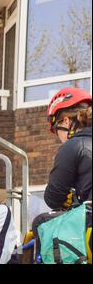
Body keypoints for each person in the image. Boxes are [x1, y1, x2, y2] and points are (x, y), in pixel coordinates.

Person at [32, 87, 92, 260]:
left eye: (55, 129)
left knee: (42, 222)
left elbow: (53, 198)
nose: (57, 136)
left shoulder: (73, 145)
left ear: (66, 121)